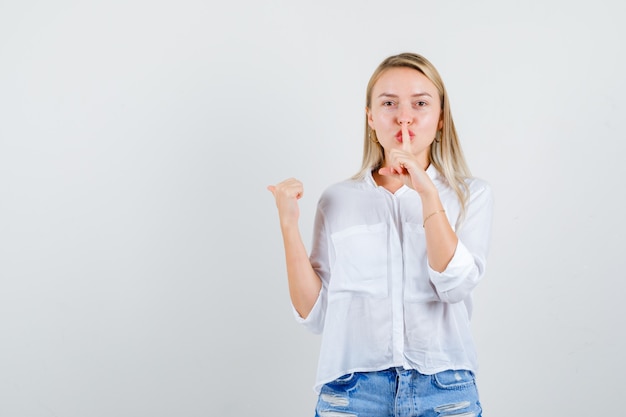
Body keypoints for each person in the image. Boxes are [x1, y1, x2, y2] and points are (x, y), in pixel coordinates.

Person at [267, 52, 492, 417]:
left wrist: (427, 193)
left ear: (439, 119)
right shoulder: (337, 200)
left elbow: (454, 285)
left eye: (420, 103)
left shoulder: (471, 195)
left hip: (445, 391)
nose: (404, 116)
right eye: (389, 103)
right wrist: (288, 224)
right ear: (371, 117)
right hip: (352, 393)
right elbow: (316, 314)